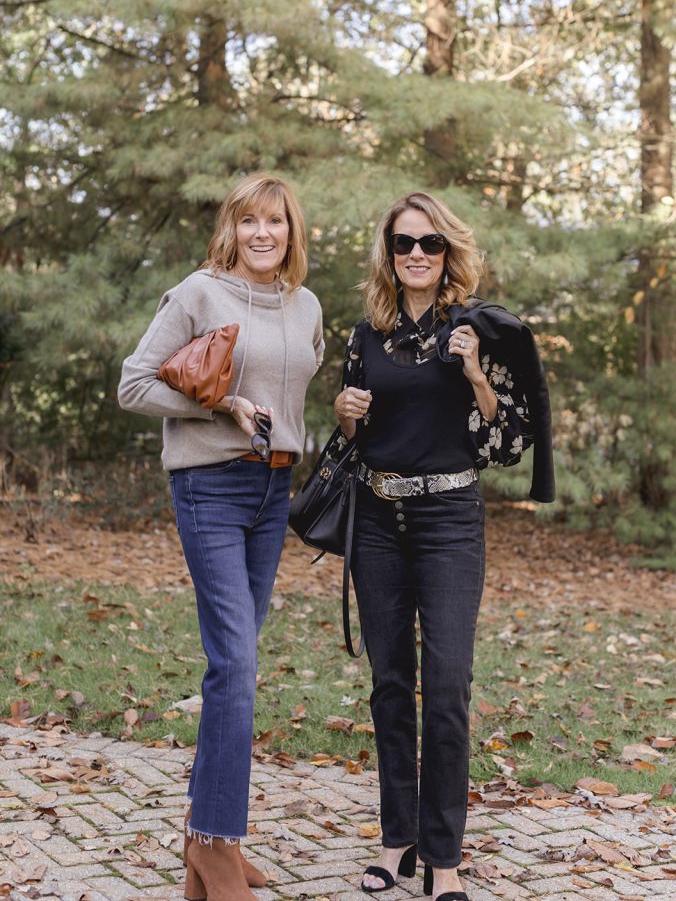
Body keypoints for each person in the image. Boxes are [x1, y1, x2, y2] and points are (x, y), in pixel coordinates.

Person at [332, 192, 553, 901]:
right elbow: (354, 433)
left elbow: (509, 443)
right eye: (403, 244)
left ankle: (444, 858)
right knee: (390, 684)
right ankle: (397, 843)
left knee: (448, 687)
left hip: (450, 520)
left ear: (448, 251)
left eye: (429, 243)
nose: (417, 255)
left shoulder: (475, 327)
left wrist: (477, 376)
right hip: (376, 520)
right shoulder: (365, 333)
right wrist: (343, 417)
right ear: (389, 254)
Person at [118, 173, 324, 901]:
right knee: (235, 666)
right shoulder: (196, 294)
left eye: (276, 222)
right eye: (249, 222)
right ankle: (214, 848)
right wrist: (218, 407)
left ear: (292, 233)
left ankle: (208, 839)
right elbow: (134, 384)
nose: (263, 234)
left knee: (230, 669)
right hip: (210, 487)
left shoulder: (305, 306)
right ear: (231, 230)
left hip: (275, 492)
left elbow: (302, 383)